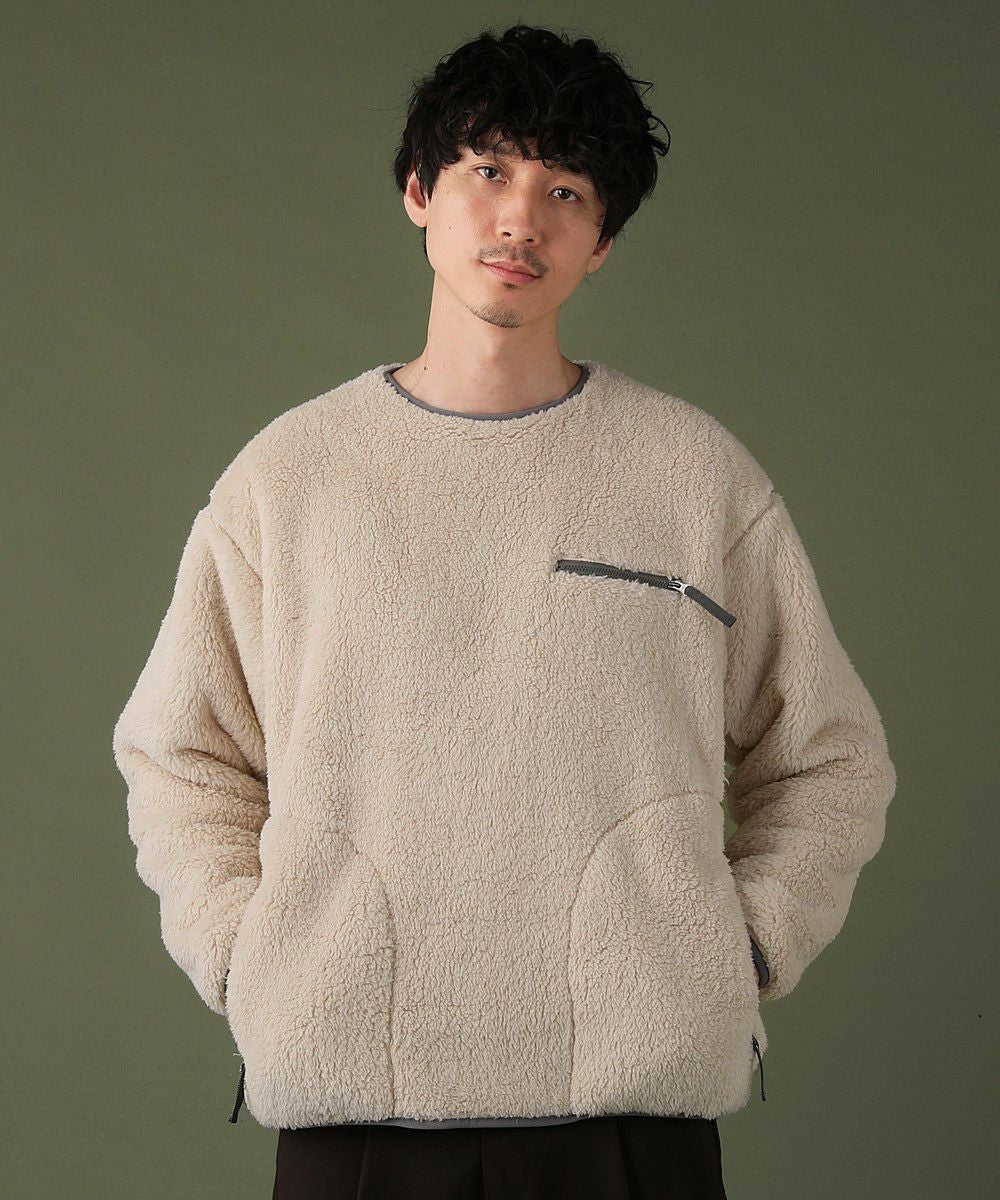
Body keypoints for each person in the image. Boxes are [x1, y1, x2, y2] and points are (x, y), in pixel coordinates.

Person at [112, 23, 897, 1200]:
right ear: (419, 192)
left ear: (602, 242)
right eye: (488, 170)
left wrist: (731, 950)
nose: (521, 218)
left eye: (565, 190)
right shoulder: (288, 480)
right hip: (354, 1108)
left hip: (632, 1116)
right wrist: (252, 958)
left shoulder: (693, 476)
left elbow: (829, 755)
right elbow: (181, 755)